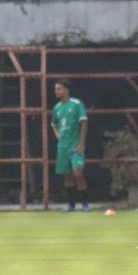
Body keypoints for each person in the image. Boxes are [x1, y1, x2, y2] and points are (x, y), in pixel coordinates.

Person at [51, 78, 89, 212]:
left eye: (59, 89)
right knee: (67, 176)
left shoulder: (77, 104)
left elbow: (84, 123)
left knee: (78, 172)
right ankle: (71, 205)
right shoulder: (57, 108)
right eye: (55, 89)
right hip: (63, 147)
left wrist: (82, 143)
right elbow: (54, 124)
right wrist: (57, 134)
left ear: (66, 90)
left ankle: (85, 203)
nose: (56, 91)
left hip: (76, 146)